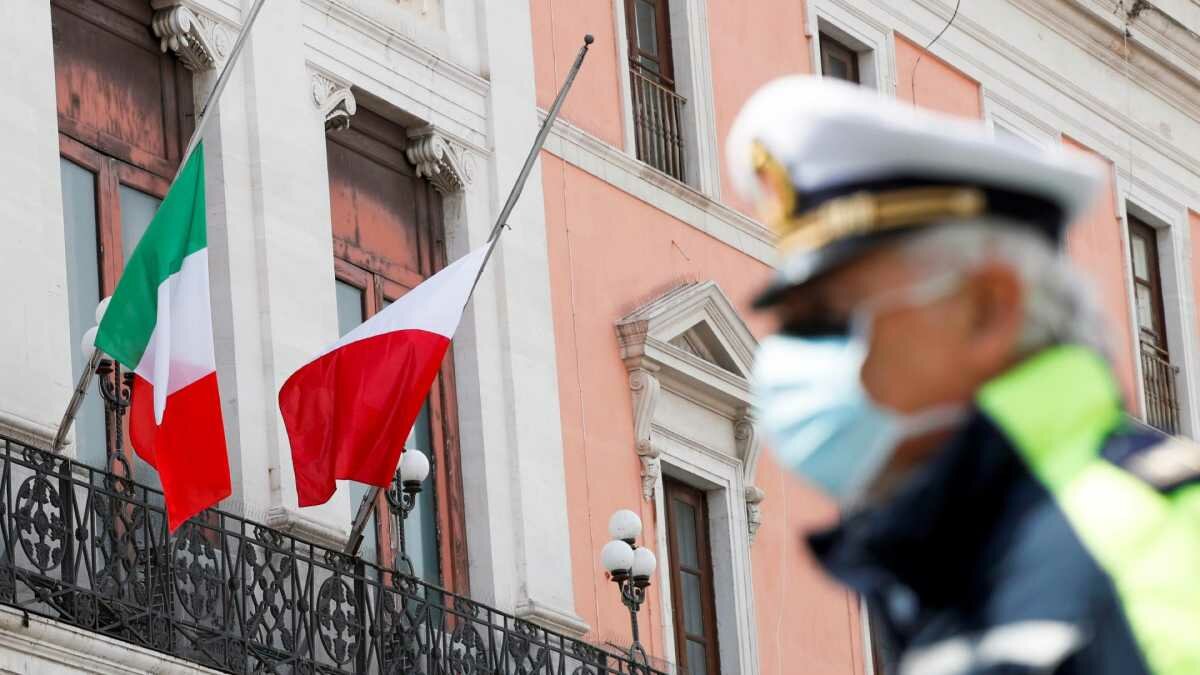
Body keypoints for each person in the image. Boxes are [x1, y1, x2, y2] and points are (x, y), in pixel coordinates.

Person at [729, 76, 1200, 675]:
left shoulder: (1155, 547)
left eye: (829, 318)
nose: (787, 360)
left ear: (987, 309)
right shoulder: (951, 579)